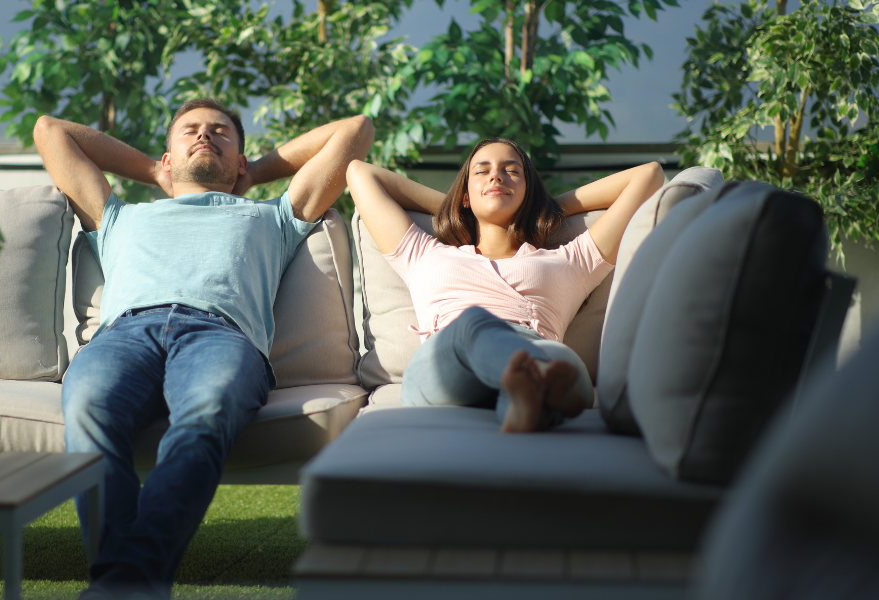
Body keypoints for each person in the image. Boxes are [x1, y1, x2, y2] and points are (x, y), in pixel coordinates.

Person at [34, 98, 373, 598]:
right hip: (125, 335)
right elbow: (49, 130)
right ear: (168, 157)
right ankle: (131, 584)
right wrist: (153, 170)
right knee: (87, 409)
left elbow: (356, 129)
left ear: (239, 159)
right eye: (189, 130)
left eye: (220, 132)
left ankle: (124, 581)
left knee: (206, 416)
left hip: (219, 335)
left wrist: (253, 172)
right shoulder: (115, 216)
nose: (204, 135)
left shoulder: (273, 216)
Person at [346, 137, 664, 432]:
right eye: (482, 172)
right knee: (474, 323)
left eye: (511, 171)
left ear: (529, 192)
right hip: (449, 358)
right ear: (465, 195)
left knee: (556, 362)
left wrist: (546, 209)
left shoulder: (569, 260)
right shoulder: (424, 253)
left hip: (537, 345)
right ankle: (529, 383)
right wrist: (455, 208)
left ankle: (522, 404)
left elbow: (648, 176)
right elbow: (360, 173)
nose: (496, 177)